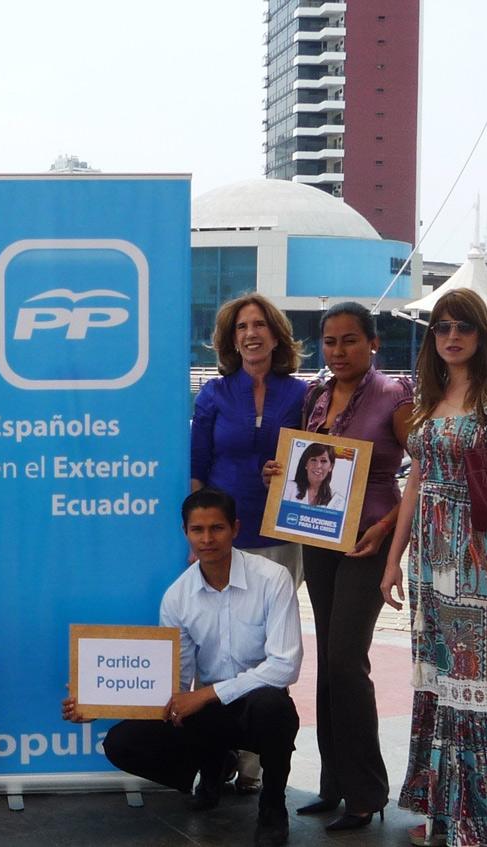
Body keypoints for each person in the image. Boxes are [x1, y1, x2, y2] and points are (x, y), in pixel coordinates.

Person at [382, 289, 487, 847]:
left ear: (481, 333)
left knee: (479, 679)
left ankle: (486, 819)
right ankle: (445, 813)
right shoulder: (431, 393)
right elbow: (416, 481)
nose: (452, 336)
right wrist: (393, 559)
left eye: (464, 327)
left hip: (479, 559)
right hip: (431, 560)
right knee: (441, 679)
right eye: (443, 327)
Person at [62, 488, 302, 847]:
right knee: (121, 743)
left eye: (217, 528)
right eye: (197, 530)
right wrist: (99, 704)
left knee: (274, 707)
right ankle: (215, 765)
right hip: (209, 711)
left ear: (235, 529)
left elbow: (285, 666)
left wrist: (206, 694)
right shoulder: (177, 596)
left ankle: (272, 806)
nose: (207, 539)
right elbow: (171, 681)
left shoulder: (273, 579)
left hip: (257, 704)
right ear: (185, 532)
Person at [264, 301, 413, 832]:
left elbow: (427, 472)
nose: (339, 350)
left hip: (369, 540)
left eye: (350, 340)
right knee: (329, 658)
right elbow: (307, 461)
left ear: (373, 342)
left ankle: (367, 792)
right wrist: (278, 472)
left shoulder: (395, 395)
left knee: (348, 661)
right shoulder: (317, 396)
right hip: (320, 535)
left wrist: (389, 527)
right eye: (330, 341)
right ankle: (334, 784)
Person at [190, 293, 306, 794]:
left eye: (259, 325)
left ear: (276, 336)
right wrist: (197, 540)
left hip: (281, 535)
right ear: (230, 340)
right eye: (241, 327)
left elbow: (318, 460)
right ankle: (214, 756)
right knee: (215, 646)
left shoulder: (301, 394)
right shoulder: (213, 394)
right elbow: (197, 470)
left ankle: (255, 765)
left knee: (266, 647)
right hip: (220, 538)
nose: (251, 334)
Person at [281, 443, 346, 511]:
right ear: (306, 464)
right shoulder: (287, 487)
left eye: (323, 461)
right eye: (313, 460)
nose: (318, 466)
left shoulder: (337, 500)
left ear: (331, 467)